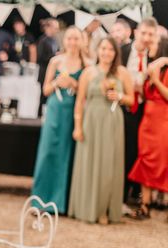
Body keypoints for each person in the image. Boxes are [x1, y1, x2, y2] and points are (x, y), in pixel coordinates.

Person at [69, 37, 134, 224]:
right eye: (103, 49)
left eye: (111, 50)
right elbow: (80, 101)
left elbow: (132, 100)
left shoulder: (122, 73)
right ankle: (85, 207)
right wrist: (77, 127)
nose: (106, 53)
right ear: (98, 51)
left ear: (116, 53)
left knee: (109, 165)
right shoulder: (88, 73)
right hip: (91, 121)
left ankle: (104, 209)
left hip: (113, 122)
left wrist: (119, 96)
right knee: (89, 163)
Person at [31, 26, 85, 215]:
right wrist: (56, 83)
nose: (72, 42)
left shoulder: (86, 64)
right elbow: (45, 90)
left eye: (76, 39)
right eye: (69, 38)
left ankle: (60, 203)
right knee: (47, 153)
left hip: (73, 113)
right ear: (64, 40)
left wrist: (74, 84)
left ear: (81, 41)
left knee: (66, 155)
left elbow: (85, 93)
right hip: (54, 110)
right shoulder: (55, 61)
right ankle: (40, 201)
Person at [121, 17, 160, 204]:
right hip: (120, 108)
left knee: (136, 153)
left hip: (142, 112)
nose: (146, 38)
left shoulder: (155, 58)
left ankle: (133, 195)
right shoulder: (121, 51)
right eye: (143, 33)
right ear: (136, 32)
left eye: (151, 35)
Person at [127, 47, 168, 219]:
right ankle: (145, 205)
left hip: (163, 122)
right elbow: (146, 94)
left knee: (162, 162)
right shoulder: (151, 68)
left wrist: (156, 80)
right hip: (147, 123)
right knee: (145, 159)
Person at [37, 18, 60, 90]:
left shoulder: (54, 40)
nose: (57, 31)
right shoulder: (42, 40)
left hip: (52, 72)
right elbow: (40, 57)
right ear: (49, 28)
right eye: (55, 28)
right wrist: (54, 56)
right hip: (44, 72)